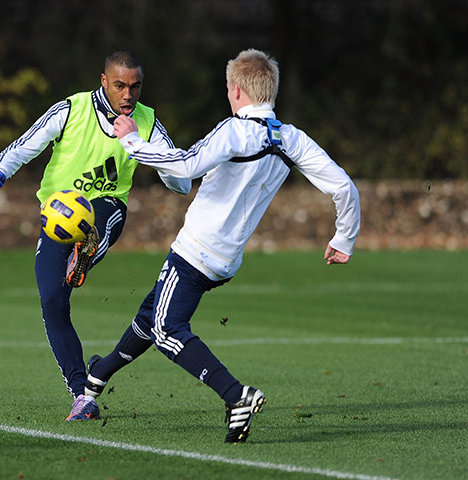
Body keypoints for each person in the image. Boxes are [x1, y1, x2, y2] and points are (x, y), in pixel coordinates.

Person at [83, 49, 361, 443]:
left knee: (165, 328)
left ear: (235, 91)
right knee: (151, 316)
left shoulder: (234, 130)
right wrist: (343, 237)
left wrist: (130, 140)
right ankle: (97, 376)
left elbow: (183, 167)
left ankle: (236, 395)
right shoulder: (291, 138)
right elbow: (343, 186)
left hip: (196, 250)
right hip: (227, 260)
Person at [0, 50, 191, 421]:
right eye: (120, 85)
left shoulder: (146, 121)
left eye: (135, 86)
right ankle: (82, 393)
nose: (129, 95)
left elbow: (180, 180)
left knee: (99, 216)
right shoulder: (71, 109)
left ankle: (87, 250)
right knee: (51, 301)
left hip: (108, 208)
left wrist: (143, 147)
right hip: (57, 217)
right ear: (103, 81)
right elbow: (31, 141)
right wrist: (0, 168)